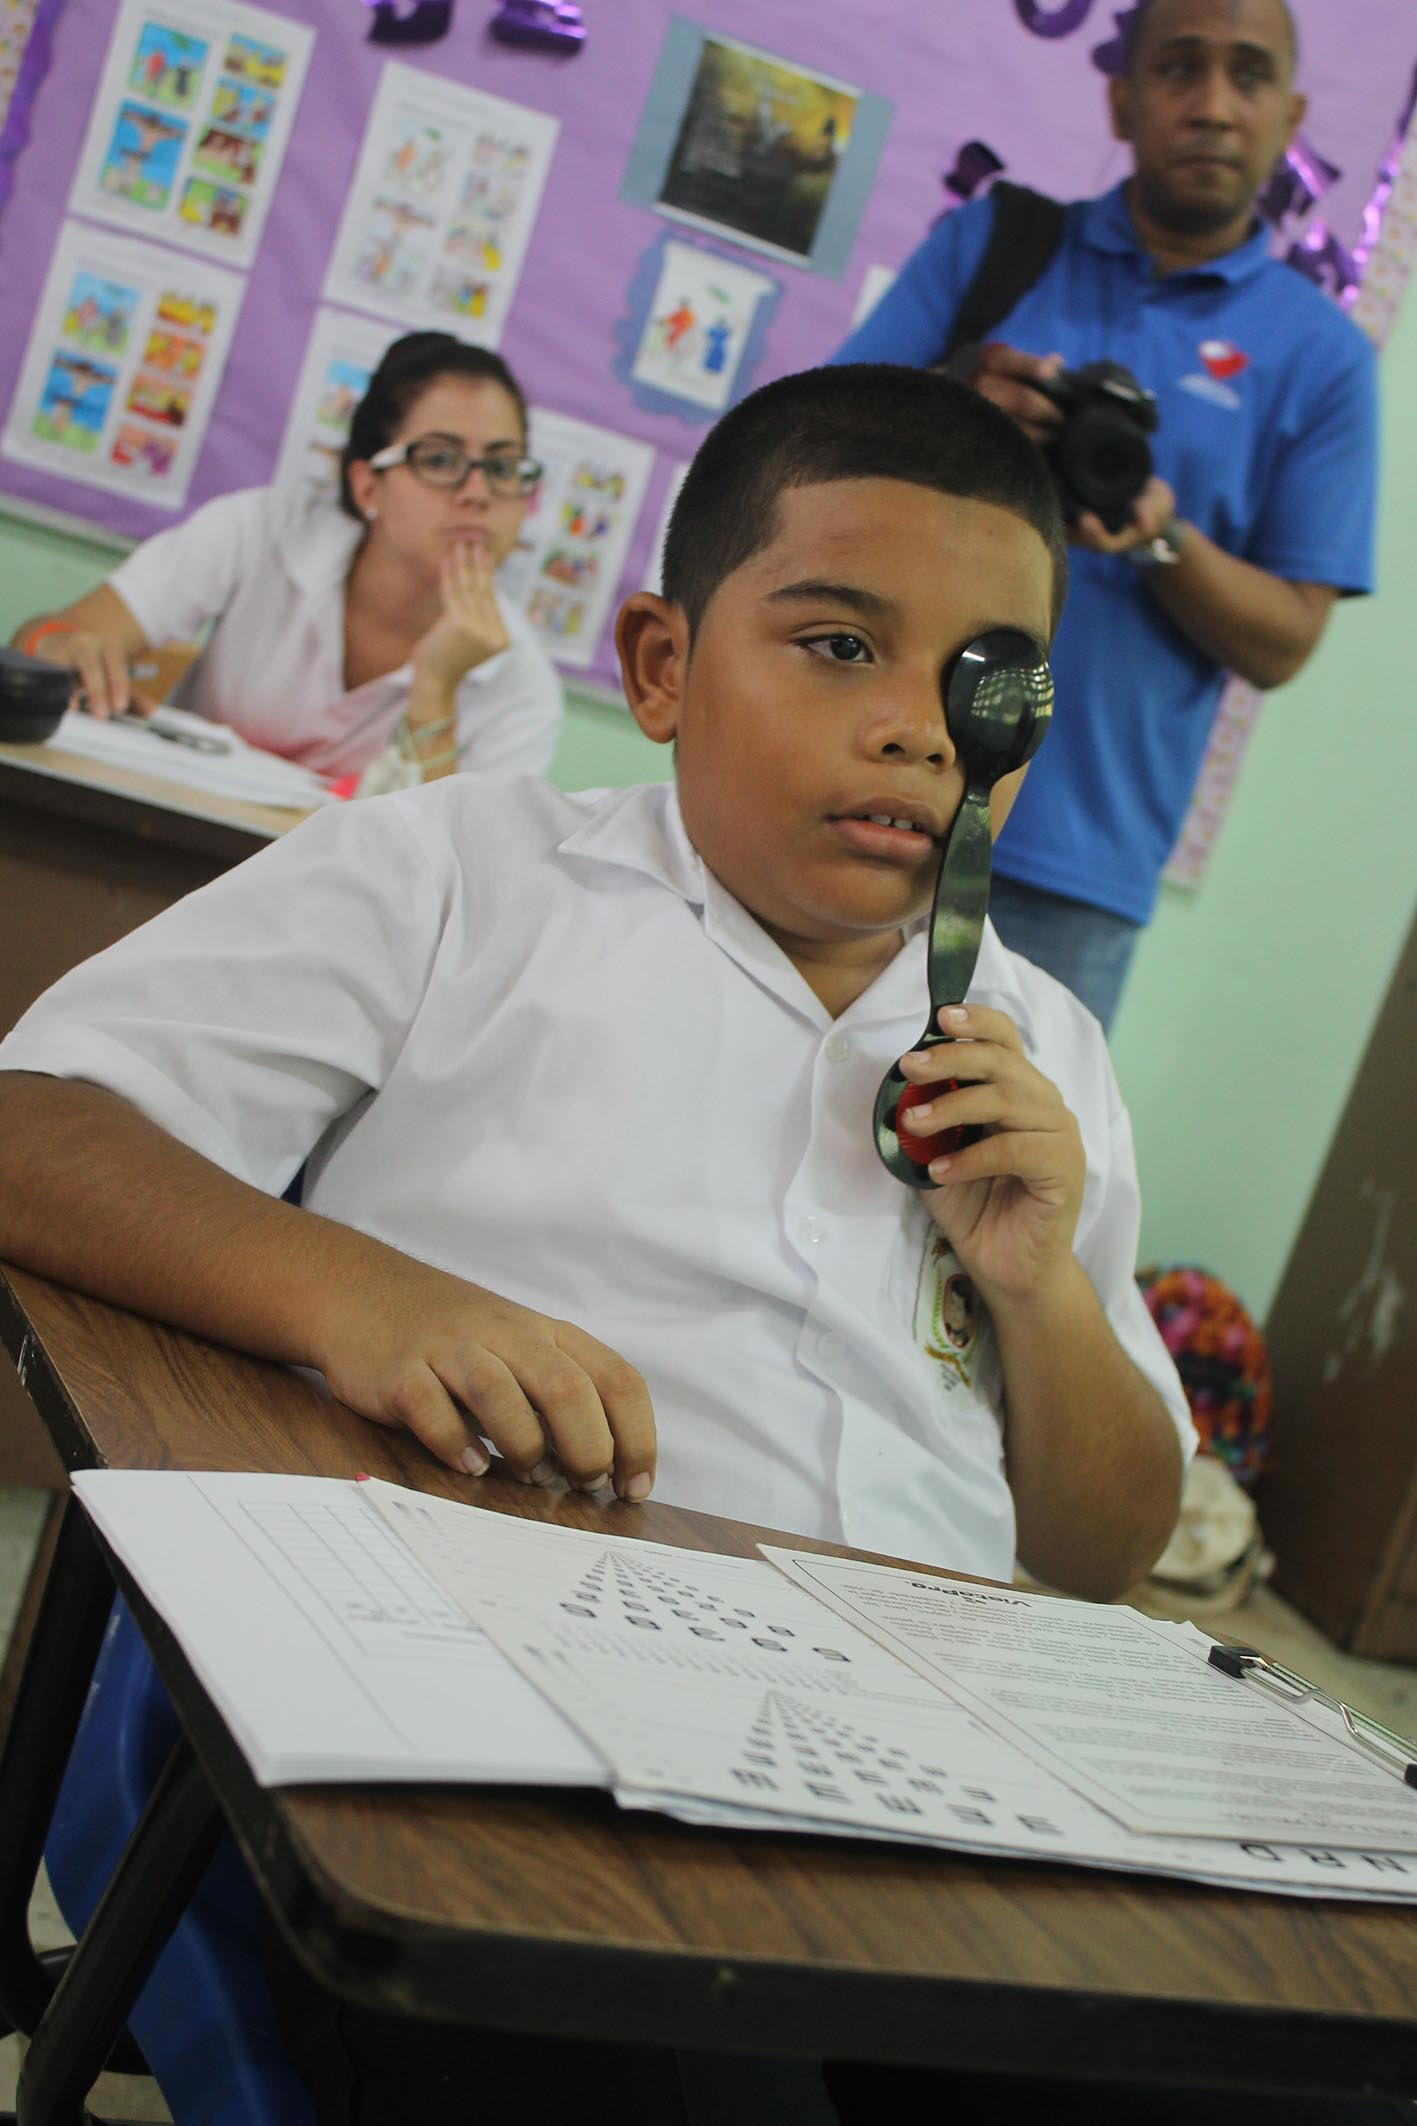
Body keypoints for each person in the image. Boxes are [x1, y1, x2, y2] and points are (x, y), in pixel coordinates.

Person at [0, 363, 1196, 2123]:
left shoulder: (1048, 1049)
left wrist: (1040, 1294)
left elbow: (1104, 1547)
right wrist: (357, 1296)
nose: (916, 729)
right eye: (838, 645)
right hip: (505, 1750)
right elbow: (36, 1129)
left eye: (980, 678)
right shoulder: (460, 877)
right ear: (658, 665)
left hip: (919, 1792)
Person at [830, 0, 1378, 1031]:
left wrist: (1161, 537)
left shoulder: (1323, 359)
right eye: (1178, 68)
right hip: (876, 777)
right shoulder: (996, 244)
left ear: (1288, 115)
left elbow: (1285, 641)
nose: (1211, 106)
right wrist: (959, 402)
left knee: (995, 1134)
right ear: (1122, 99)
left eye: (1248, 75)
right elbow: (809, 449)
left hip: (1077, 867)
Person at [9, 330, 563, 790]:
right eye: (440, 459)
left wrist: (436, 688)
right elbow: (40, 641)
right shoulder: (260, 531)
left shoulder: (523, 687)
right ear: (367, 487)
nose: (477, 493)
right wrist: (62, 647)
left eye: (503, 467)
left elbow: (449, 867)